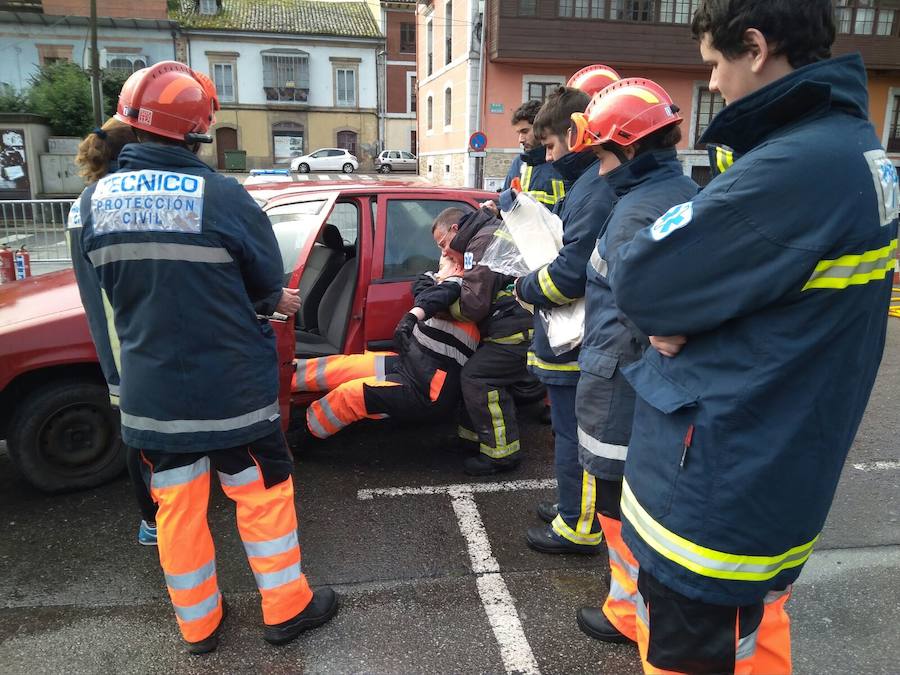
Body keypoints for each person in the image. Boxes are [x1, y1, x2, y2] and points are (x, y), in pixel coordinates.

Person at [610, 2, 897, 672]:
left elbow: (642, 279)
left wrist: (678, 310)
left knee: (687, 654)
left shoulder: (798, 167)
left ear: (757, 48)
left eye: (715, 63)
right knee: (756, 645)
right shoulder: (851, 147)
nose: (711, 84)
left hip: (719, 483)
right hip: (773, 464)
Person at [73, 61, 337, 654]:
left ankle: (199, 626)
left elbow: (102, 301)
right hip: (233, 394)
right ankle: (286, 609)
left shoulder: (91, 203)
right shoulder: (222, 196)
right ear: (197, 130)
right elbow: (268, 287)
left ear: (130, 124)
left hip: (152, 397)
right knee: (262, 497)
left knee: (177, 510)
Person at [564, 78, 698, 645]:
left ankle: (626, 611)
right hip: (645, 380)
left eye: (601, 154)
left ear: (631, 147)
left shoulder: (633, 213)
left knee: (619, 505)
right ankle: (632, 605)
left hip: (618, 380)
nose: (598, 169)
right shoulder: (686, 193)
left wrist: (661, 327)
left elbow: (650, 306)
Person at [514, 85, 615, 554]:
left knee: (577, 437)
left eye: (551, 146)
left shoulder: (594, 187)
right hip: (571, 337)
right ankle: (571, 505)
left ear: (576, 135)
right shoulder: (589, 181)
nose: (548, 158)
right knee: (567, 434)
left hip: (576, 338)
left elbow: (570, 273)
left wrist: (525, 288)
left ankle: (579, 524)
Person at [70, 118, 163, 545]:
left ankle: (154, 516)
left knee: (138, 432)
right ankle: (152, 520)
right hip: (129, 337)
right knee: (141, 437)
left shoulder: (88, 201)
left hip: (117, 335)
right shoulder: (109, 204)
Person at [296, 257, 479, 437]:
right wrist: (435, 280)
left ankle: (305, 433)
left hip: (425, 391)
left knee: (350, 395)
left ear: (457, 268)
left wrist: (414, 314)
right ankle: (281, 378)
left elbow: (441, 293)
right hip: (409, 365)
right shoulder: (440, 288)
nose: (437, 273)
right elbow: (423, 281)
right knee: (338, 367)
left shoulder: (463, 292)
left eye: (441, 267)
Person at [432, 206, 537, 475]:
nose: (443, 252)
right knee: (470, 371)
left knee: (478, 378)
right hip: (508, 325)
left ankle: (502, 455)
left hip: (515, 331)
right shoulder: (482, 235)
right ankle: (472, 439)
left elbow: (473, 305)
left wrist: (439, 307)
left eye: (444, 243)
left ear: (456, 230)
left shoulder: (480, 243)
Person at [502, 100, 566, 208]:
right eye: (519, 133)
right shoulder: (518, 163)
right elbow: (506, 207)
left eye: (525, 131)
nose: (520, 140)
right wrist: (496, 209)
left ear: (540, 128)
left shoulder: (560, 161)